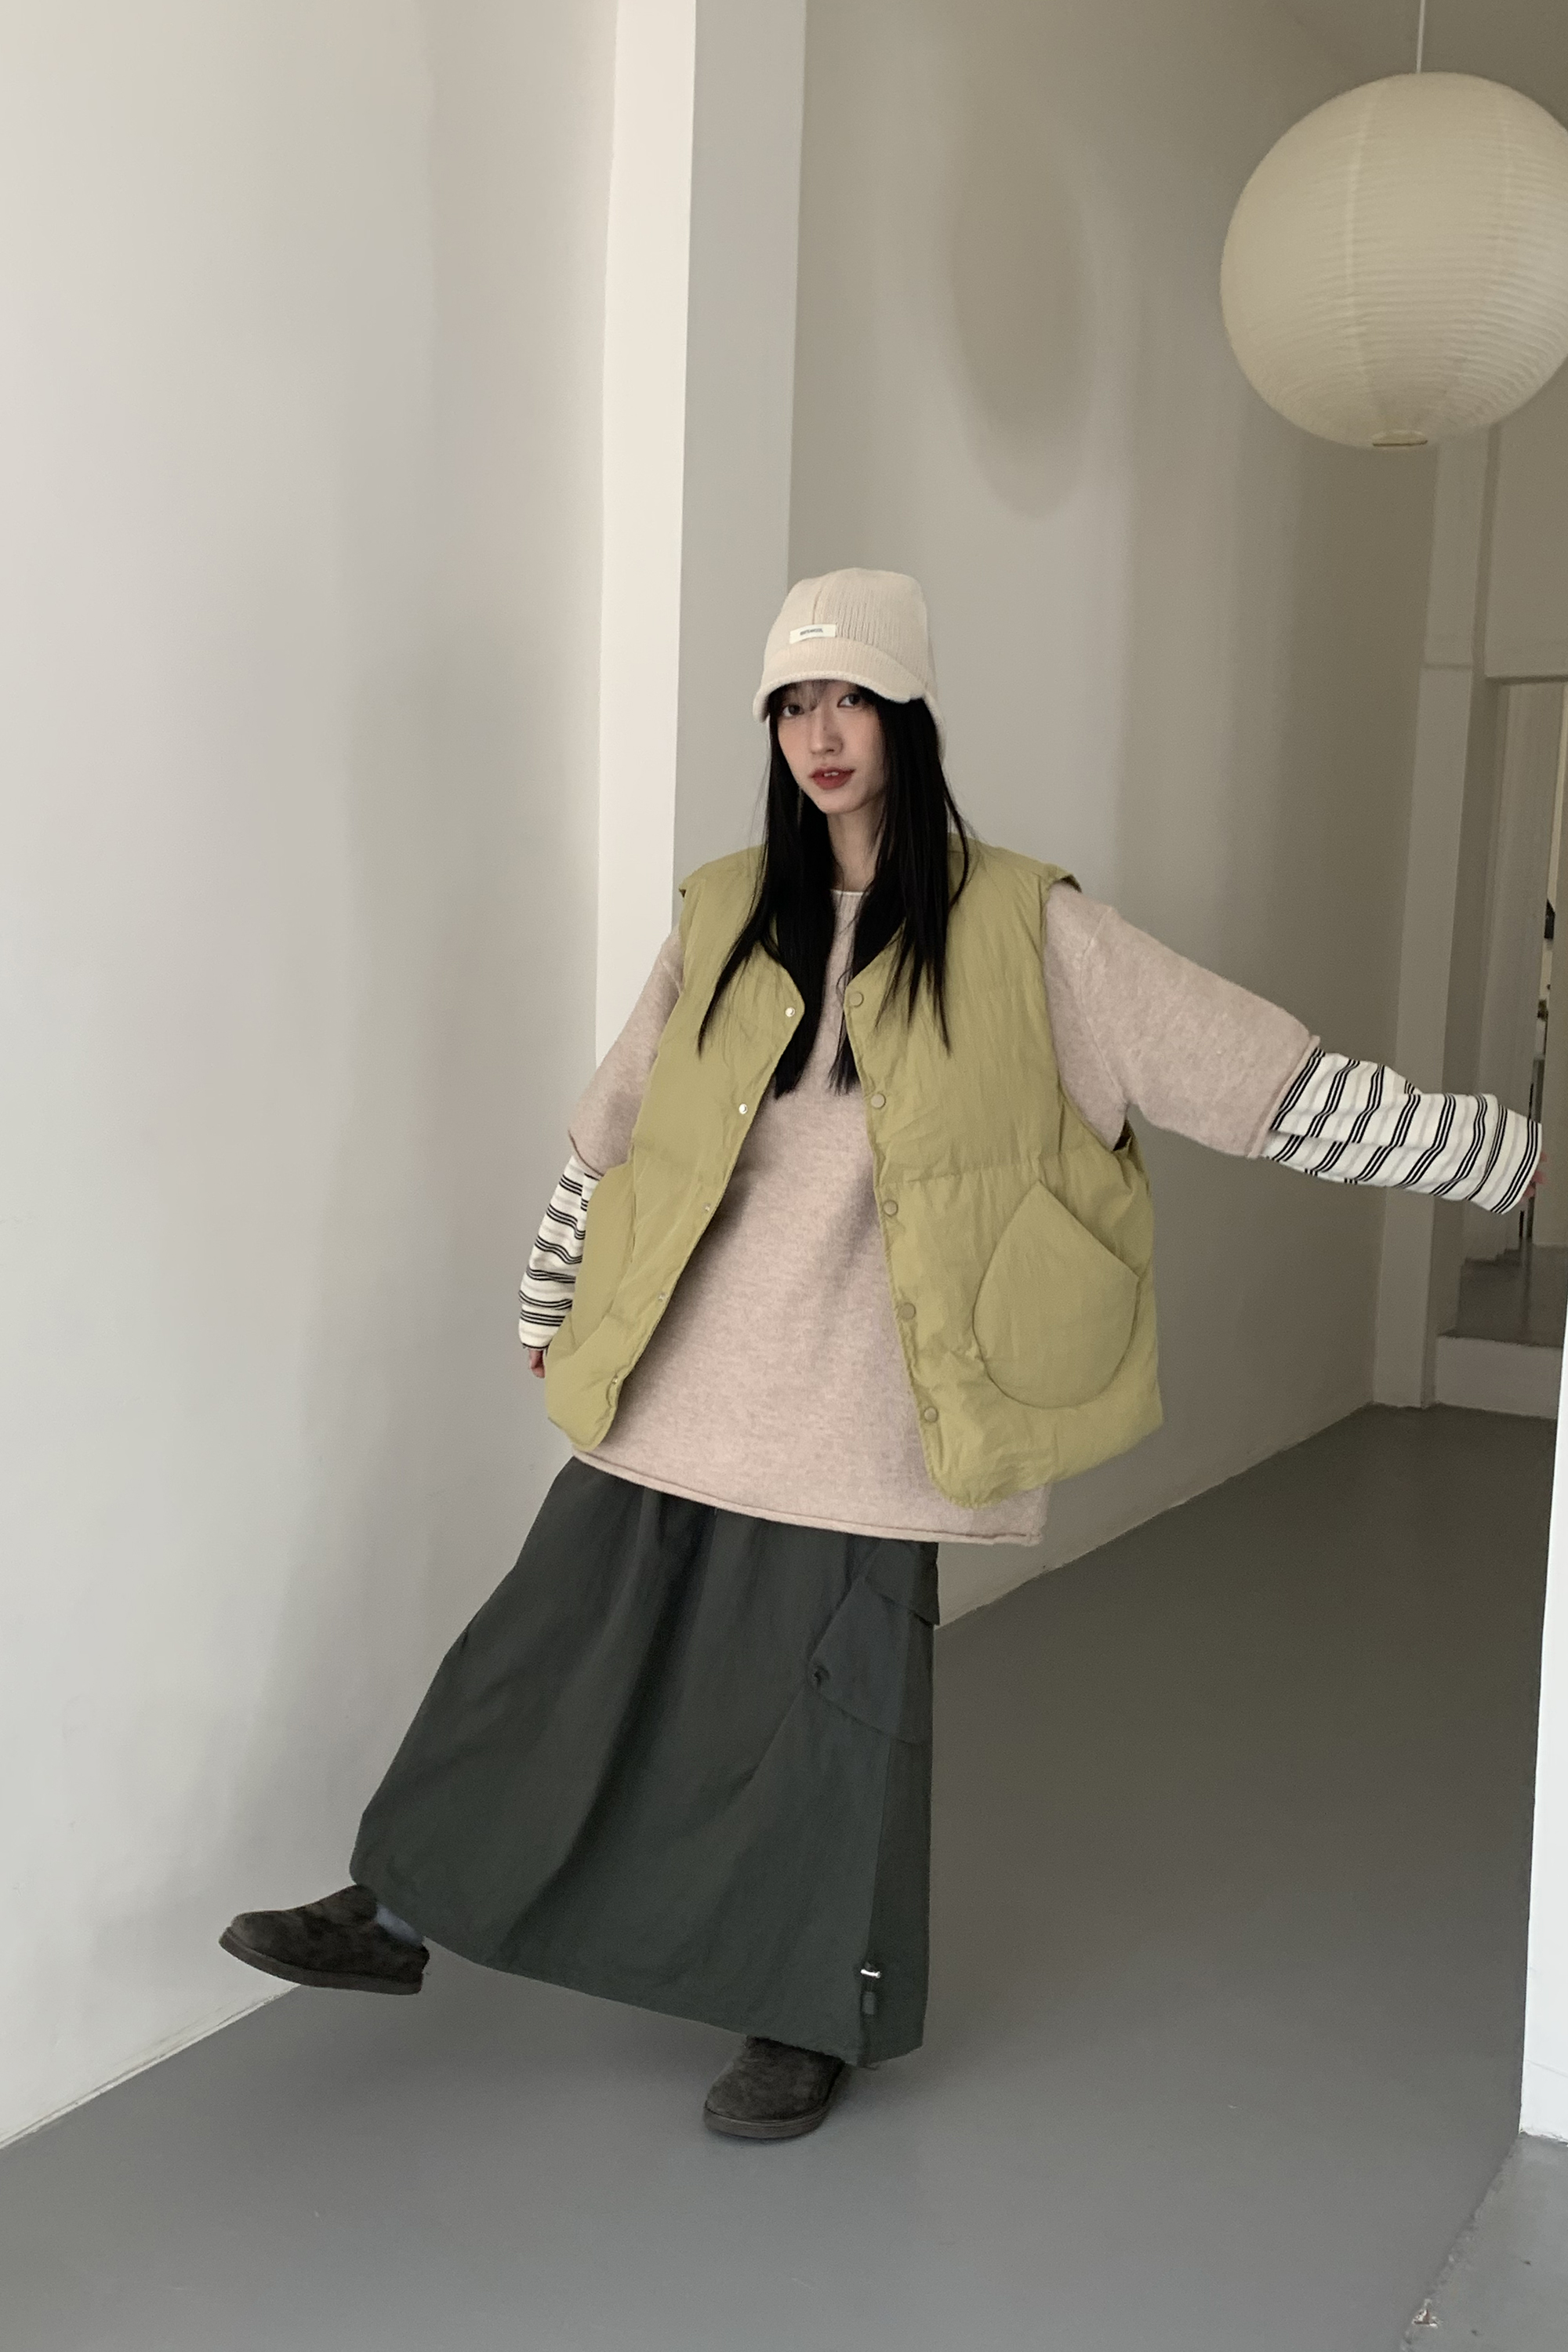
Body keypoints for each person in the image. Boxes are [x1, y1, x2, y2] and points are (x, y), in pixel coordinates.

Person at [221, 568, 1542, 2142]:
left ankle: (803, 2018)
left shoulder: (1030, 925)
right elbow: (615, 1125)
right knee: (547, 1646)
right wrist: (547, 1293)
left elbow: (1257, 1080)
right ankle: (396, 1911)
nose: (820, 732)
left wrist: (1505, 1158)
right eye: (792, 705)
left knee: (827, 1723)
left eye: (848, 696)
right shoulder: (722, 909)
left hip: (873, 1406)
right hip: (685, 1377)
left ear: (908, 711)